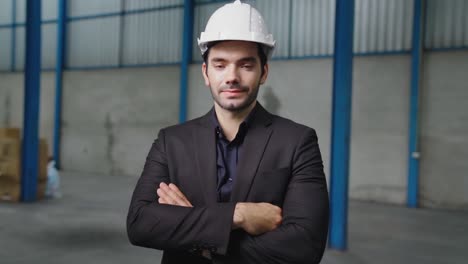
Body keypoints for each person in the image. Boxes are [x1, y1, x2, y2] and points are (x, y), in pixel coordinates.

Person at [126, 1, 329, 263]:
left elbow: (305, 246)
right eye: (220, 65)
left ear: (263, 71)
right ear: (206, 73)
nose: (232, 76)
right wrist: (239, 215)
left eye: (245, 65)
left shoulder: (297, 142)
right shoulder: (172, 141)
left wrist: (201, 239)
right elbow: (141, 224)